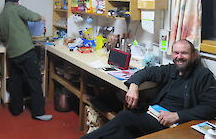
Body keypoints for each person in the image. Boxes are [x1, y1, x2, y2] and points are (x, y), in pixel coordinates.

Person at [80, 39, 216, 139]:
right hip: (154, 114)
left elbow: (211, 108)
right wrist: (134, 86)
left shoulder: (203, 76)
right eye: (176, 53)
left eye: (184, 53)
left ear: (194, 55)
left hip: (174, 122)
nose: (179, 57)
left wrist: (177, 116)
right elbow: (148, 71)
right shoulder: (172, 69)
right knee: (122, 130)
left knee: (125, 117)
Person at [0, 0, 52, 121]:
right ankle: (38, 113)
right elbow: (32, 17)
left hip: (12, 54)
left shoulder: (1, 17)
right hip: (25, 52)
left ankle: (16, 109)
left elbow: (4, 38)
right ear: (16, 1)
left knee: (15, 80)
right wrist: (41, 17)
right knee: (35, 80)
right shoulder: (17, 9)